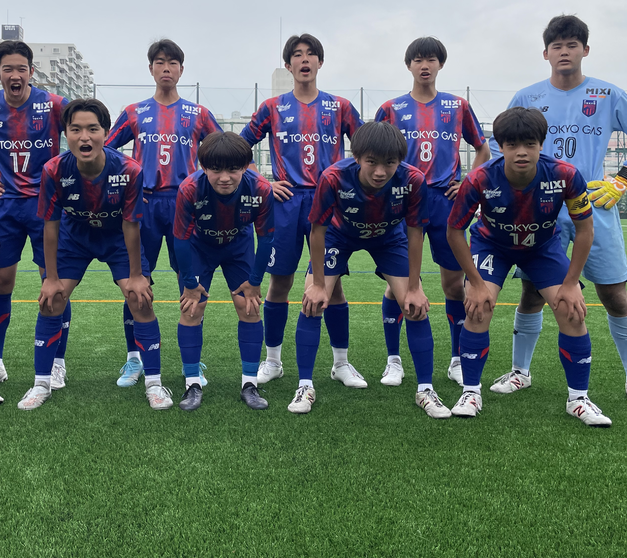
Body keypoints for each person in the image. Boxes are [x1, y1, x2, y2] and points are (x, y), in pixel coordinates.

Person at [491, 15, 627, 409]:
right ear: (545, 53)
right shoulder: (527, 96)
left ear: (585, 50)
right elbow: (503, 145)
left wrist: (623, 178)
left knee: (614, 294)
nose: (564, 52)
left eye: (572, 45)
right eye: (557, 46)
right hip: (540, 209)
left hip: (592, 206)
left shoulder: (606, 94)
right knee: (532, 291)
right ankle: (520, 372)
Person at [447, 107, 610, 426]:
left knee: (571, 310)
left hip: (542, 247)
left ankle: (578, 399)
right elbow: (454, 231)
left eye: (530, 144)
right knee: (478, 308)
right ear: (501, 146)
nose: (521, 152)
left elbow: (585, 230)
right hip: (492, 245)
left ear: (541, 144)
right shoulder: (479, 178)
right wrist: (475, 283)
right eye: (512, 145)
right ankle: (471, 392)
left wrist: (571, 283)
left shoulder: (565, 175)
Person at [24, 98, 172, 410]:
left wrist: (136, 276)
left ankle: (155, 384)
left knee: (140, 299)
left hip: (116, 237)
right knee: (53, 299)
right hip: (75, 237)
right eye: (76, 129)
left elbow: (131, 225)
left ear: (106, 132)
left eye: (93, 129)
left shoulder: (129, 170)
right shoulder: (54, 170)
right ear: (66, 133)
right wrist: (51, 278)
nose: (84, 137)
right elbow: (49, 227)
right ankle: (41, 383)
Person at [240, 34, 363, 387]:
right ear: (288, 64)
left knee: (332, 286)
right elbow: (239, 148)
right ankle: (273, 361)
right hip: (286, 202)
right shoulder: (272, 107)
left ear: (320, 63)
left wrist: (347, 185)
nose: (304, 59)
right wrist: (263, 182)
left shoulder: (340, 107)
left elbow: (366, 148)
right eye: (297, 54)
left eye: (311, 54)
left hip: (328, 202)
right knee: (280, 282)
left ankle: (341, 364)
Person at [297, 122, 440, 416]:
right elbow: (317, 231)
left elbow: (415, 233)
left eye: (389, 163)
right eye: (372, 162)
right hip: (339, 235)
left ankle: (425, 390)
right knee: (313, 301)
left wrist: (415, 287)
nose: (380, 172)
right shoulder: (334, 177)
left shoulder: (413, 179)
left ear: (400, 161)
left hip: (389, 237)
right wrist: (318, 284)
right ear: (357, 157)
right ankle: (305, 385)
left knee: (414, 305)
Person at [374, 37, 489, 387]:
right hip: (402, 201)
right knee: (398, 284)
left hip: (444, 202)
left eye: (431, 59)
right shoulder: (391, 109)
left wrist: (468, 184)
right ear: (408, 65)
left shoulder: (457, 106)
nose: (425, 65)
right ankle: (393, 360)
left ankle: (456, 359)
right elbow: (373, 153)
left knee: (453, 284)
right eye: (418, 60)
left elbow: (482, 149)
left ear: (441, 64)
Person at [107, 39, 221, 388]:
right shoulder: (134, 112)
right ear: (151, 69)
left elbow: (224, 152)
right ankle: (134, 358)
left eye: (172, 63)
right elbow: (107, 150)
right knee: (136, 282)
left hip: (186, 204)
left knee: (192, 282)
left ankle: (192, 361)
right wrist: (127, 178)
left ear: (181, 70)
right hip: (144, 204)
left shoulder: (199, 114)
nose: (166, 68)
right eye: (159, 62)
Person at [0, 40, 70, 390]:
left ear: (31, 72)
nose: (16, 75)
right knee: (1, 282)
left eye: (22, 68)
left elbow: (85, 133)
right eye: (8, 69)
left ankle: (57, 363)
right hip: (5, 207)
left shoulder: (54, 105)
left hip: (46, 207)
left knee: (54, 283)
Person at [173, 132, 275, 411]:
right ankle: (192, 383)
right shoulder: (189, 189)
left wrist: (255, 281)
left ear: (245, 167)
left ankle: (250, 384)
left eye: (233, 169)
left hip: (238, 247)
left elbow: (266, 238)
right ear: (203, 167)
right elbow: (180, 240)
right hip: (200, 247)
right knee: (191, 310)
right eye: (216, 169)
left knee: (249, 308)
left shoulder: (261, 189)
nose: (225, 177)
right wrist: (189, 282)